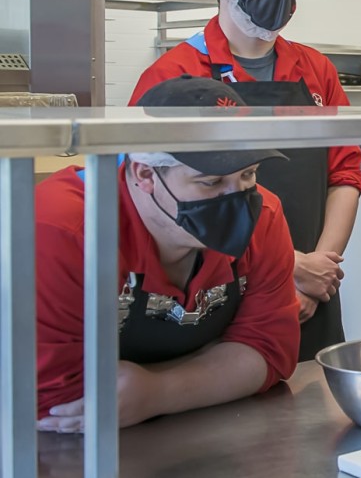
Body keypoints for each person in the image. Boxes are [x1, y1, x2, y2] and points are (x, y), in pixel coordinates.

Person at [130, 0, 361, 361]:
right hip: (219, 284)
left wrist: (321, 269)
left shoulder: (317, 69)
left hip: (316, 282)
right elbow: (149, 193)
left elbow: (345, 173)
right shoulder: (174, 75)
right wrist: (290, 267)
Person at [36, 76, 299, 431]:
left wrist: (155, 391)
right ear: (144, 173)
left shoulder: (264, 216)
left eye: (248, 174)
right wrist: (215, 364)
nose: (237, 198)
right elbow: (55, 403)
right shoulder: (61, 231)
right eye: (211, 182)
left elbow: (271, 351)